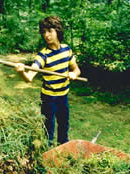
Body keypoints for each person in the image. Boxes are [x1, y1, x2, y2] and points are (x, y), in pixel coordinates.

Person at [14, 16, 81, 146]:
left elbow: (77, 70)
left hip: (63, 96)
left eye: (50, 31)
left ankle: (63, 147)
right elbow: (29, 78)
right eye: (44, 32)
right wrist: (22, 71)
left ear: (57, 31)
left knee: (64, 124)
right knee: (48, 128)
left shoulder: (67, 50)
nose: (46, 35)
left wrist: (73, 73)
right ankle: (47, 151)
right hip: (48, 98)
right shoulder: (43, 55)